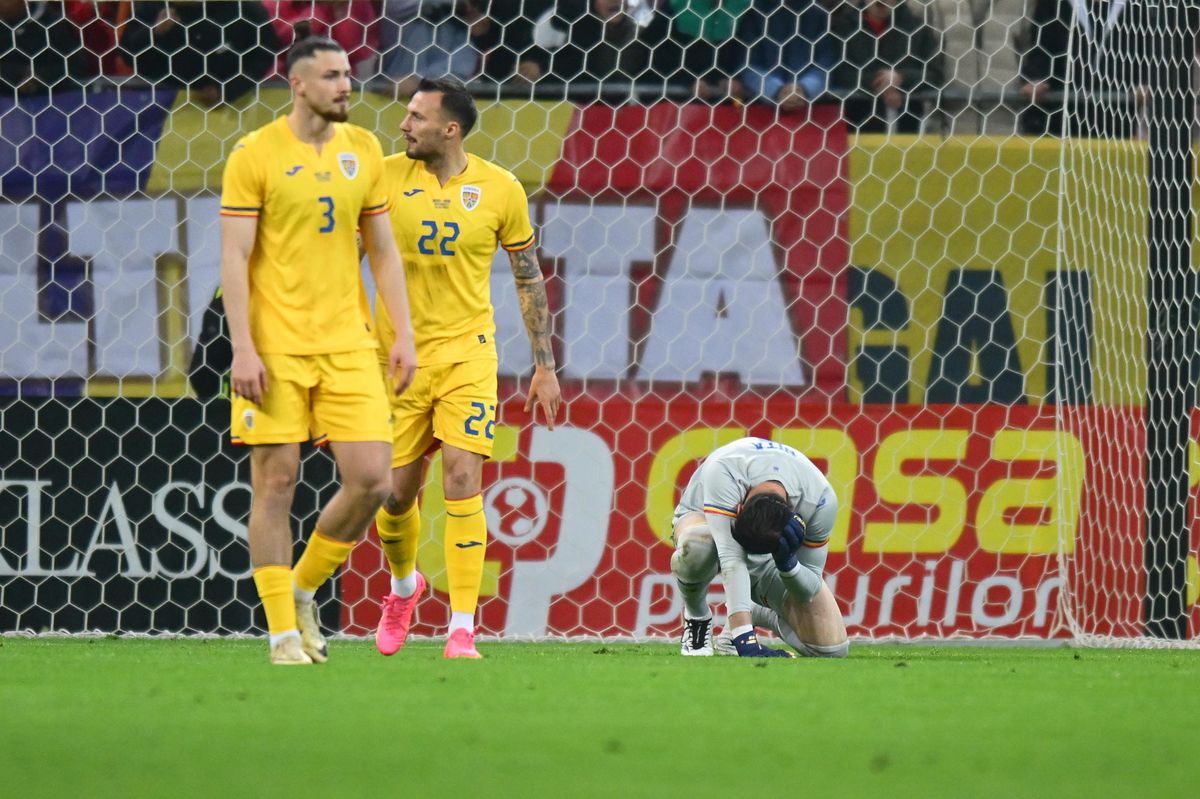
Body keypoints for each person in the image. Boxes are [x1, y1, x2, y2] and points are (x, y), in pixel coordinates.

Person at [219, 36, 418, 665]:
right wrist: (243, 347)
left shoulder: (364, 150)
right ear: (297, 83)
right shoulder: (255, 154)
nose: (345, 85)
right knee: (275, 483)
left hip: (348, 344)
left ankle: (303, 588)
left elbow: (383, 252)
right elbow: (234, 256)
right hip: (275, 348)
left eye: (348, 74)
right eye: (331, 75)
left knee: (371, 481)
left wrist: (404, 333)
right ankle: (282, 635)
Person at [371, 76, 561, 660]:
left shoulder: (500, 189)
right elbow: (340, 258)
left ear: (449, 130)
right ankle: (405, 587)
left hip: (468, 355)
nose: (404, 124)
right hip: (397, 359)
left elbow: (527, 275)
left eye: (416, 117)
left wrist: (544, 365)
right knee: (395, 497)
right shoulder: (379, 178)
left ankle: (461, 628)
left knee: (461, 480)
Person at [670, 436, 848, 658]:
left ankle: (754, 613)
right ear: (740, 507)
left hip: (769, 557)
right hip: (704, 522)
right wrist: (746, 640)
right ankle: (697, 617)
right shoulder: (726, 470)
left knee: (830, 649)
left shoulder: (821, 499)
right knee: (699, 545)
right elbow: (731, 560)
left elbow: (810, 588)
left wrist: (788, 565)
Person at [120, 1, 280, 107]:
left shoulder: (246, 10)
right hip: (159, 113)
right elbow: (127, 54)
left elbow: (263, 55)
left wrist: (228, 90)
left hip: (230, 113)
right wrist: (154, 32)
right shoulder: (153, 7)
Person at [827, 0, 943, 134]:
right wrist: (881, 83)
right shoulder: (844, 26)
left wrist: (901, 77)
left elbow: (935, 75)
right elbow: (838, 73)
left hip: (908, 127)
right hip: (857, 126)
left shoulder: (917, 27)